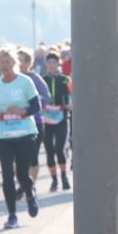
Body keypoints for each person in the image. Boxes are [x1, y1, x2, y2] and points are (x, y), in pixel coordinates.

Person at [0, 45, 42, 229]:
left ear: (15, 63)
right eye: (1, 62)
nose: (4, 65)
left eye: (8, 62)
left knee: (21, 173)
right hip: (3, 135)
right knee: (7, 175)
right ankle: (12, 215)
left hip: (25, 133)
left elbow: (37, 106)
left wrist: (23, 111)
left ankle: (30, 193)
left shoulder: (25, 82)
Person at [17, 48, 51, 191]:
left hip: (35, 122)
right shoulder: (11, 79)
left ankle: (30, 185)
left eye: (20, 61)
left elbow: (47, 98)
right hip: (15, 124)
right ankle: (23, 182)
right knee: (18, 158)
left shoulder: (35, 78)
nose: (17, 64)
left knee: (32, 156)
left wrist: (31, 99)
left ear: (28, 63)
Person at [41, 51, 72, 192]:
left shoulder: (65, 80)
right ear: (46, 64)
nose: (51, 65)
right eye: (49, 63)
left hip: (61, 119)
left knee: (59, 148)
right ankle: (54, 181)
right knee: (49, 151)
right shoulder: (42, 80)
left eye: (54, 62)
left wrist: (69, 105)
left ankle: (64, 177)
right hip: (46, 120)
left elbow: (73, 95)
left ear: (58, 63)